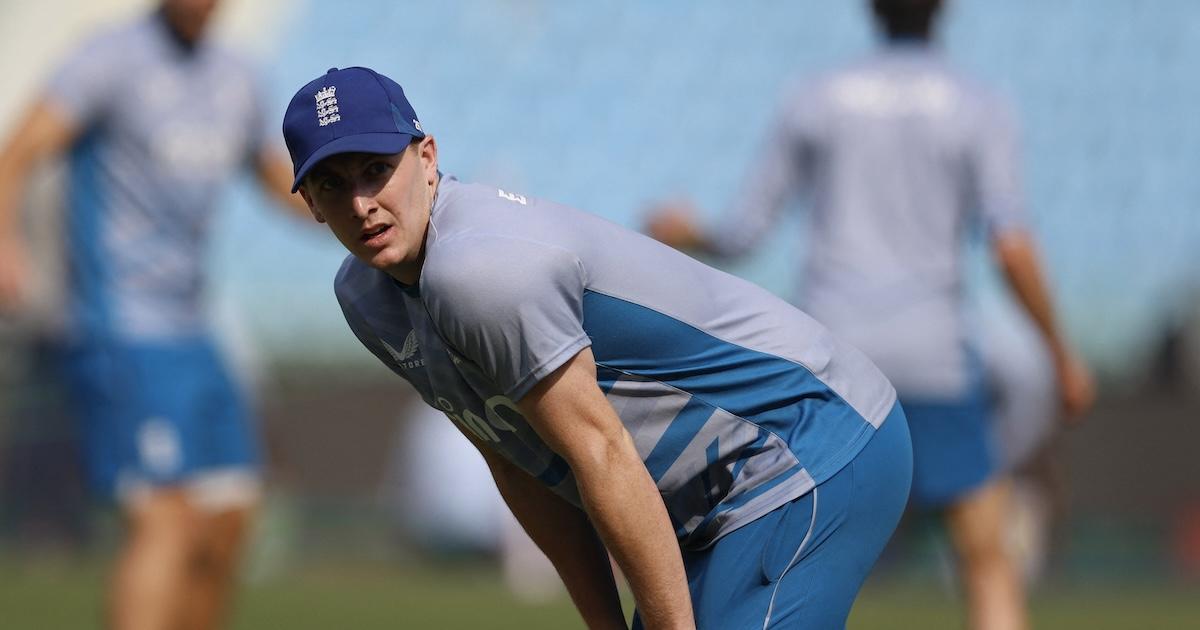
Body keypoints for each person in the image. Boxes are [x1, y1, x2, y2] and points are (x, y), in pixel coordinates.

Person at [282, 65, 913, 629]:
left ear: (427, 157)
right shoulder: (367, 299)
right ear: (310, 204)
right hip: (708, 495)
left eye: (376, 170)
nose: (362, 203)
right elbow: (517, 464)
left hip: (807, 439)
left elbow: (603, 454)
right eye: (333, 184)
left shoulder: (479, 272)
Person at [645, 1, 1095, 629]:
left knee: (800, 558)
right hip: (933, 354)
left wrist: (687, 229)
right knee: (986, 558)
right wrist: (1060, 353)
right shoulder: (978, 103)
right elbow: (1011, 244)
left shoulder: (815, 97)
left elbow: (746, 230)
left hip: (833, 358)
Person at [0, 1, 307, 628]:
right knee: (165, 517)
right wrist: (6, 243)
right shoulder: (110, 58)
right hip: (121, 326)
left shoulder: (236, 75)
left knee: (228, 516)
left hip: (196, 326)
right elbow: (20, 151)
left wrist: (355, 216)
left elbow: (273, 176)